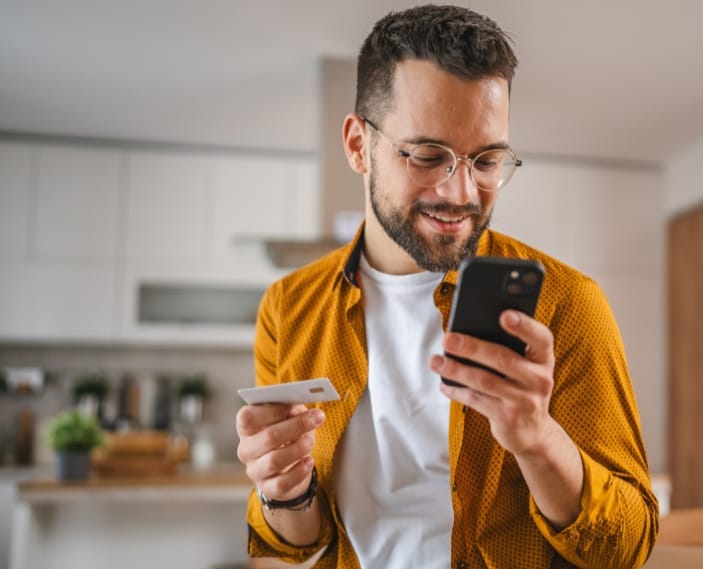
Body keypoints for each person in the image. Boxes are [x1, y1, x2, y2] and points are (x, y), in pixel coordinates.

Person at [235, 5, 658, 568]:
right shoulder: (289, 307)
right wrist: (284, 490)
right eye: (428, 156)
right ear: (359, 145)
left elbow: (625, 548)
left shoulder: (567, 304)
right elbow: (296, 542)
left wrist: (536, 438)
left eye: (486, 159)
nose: (460, 192)